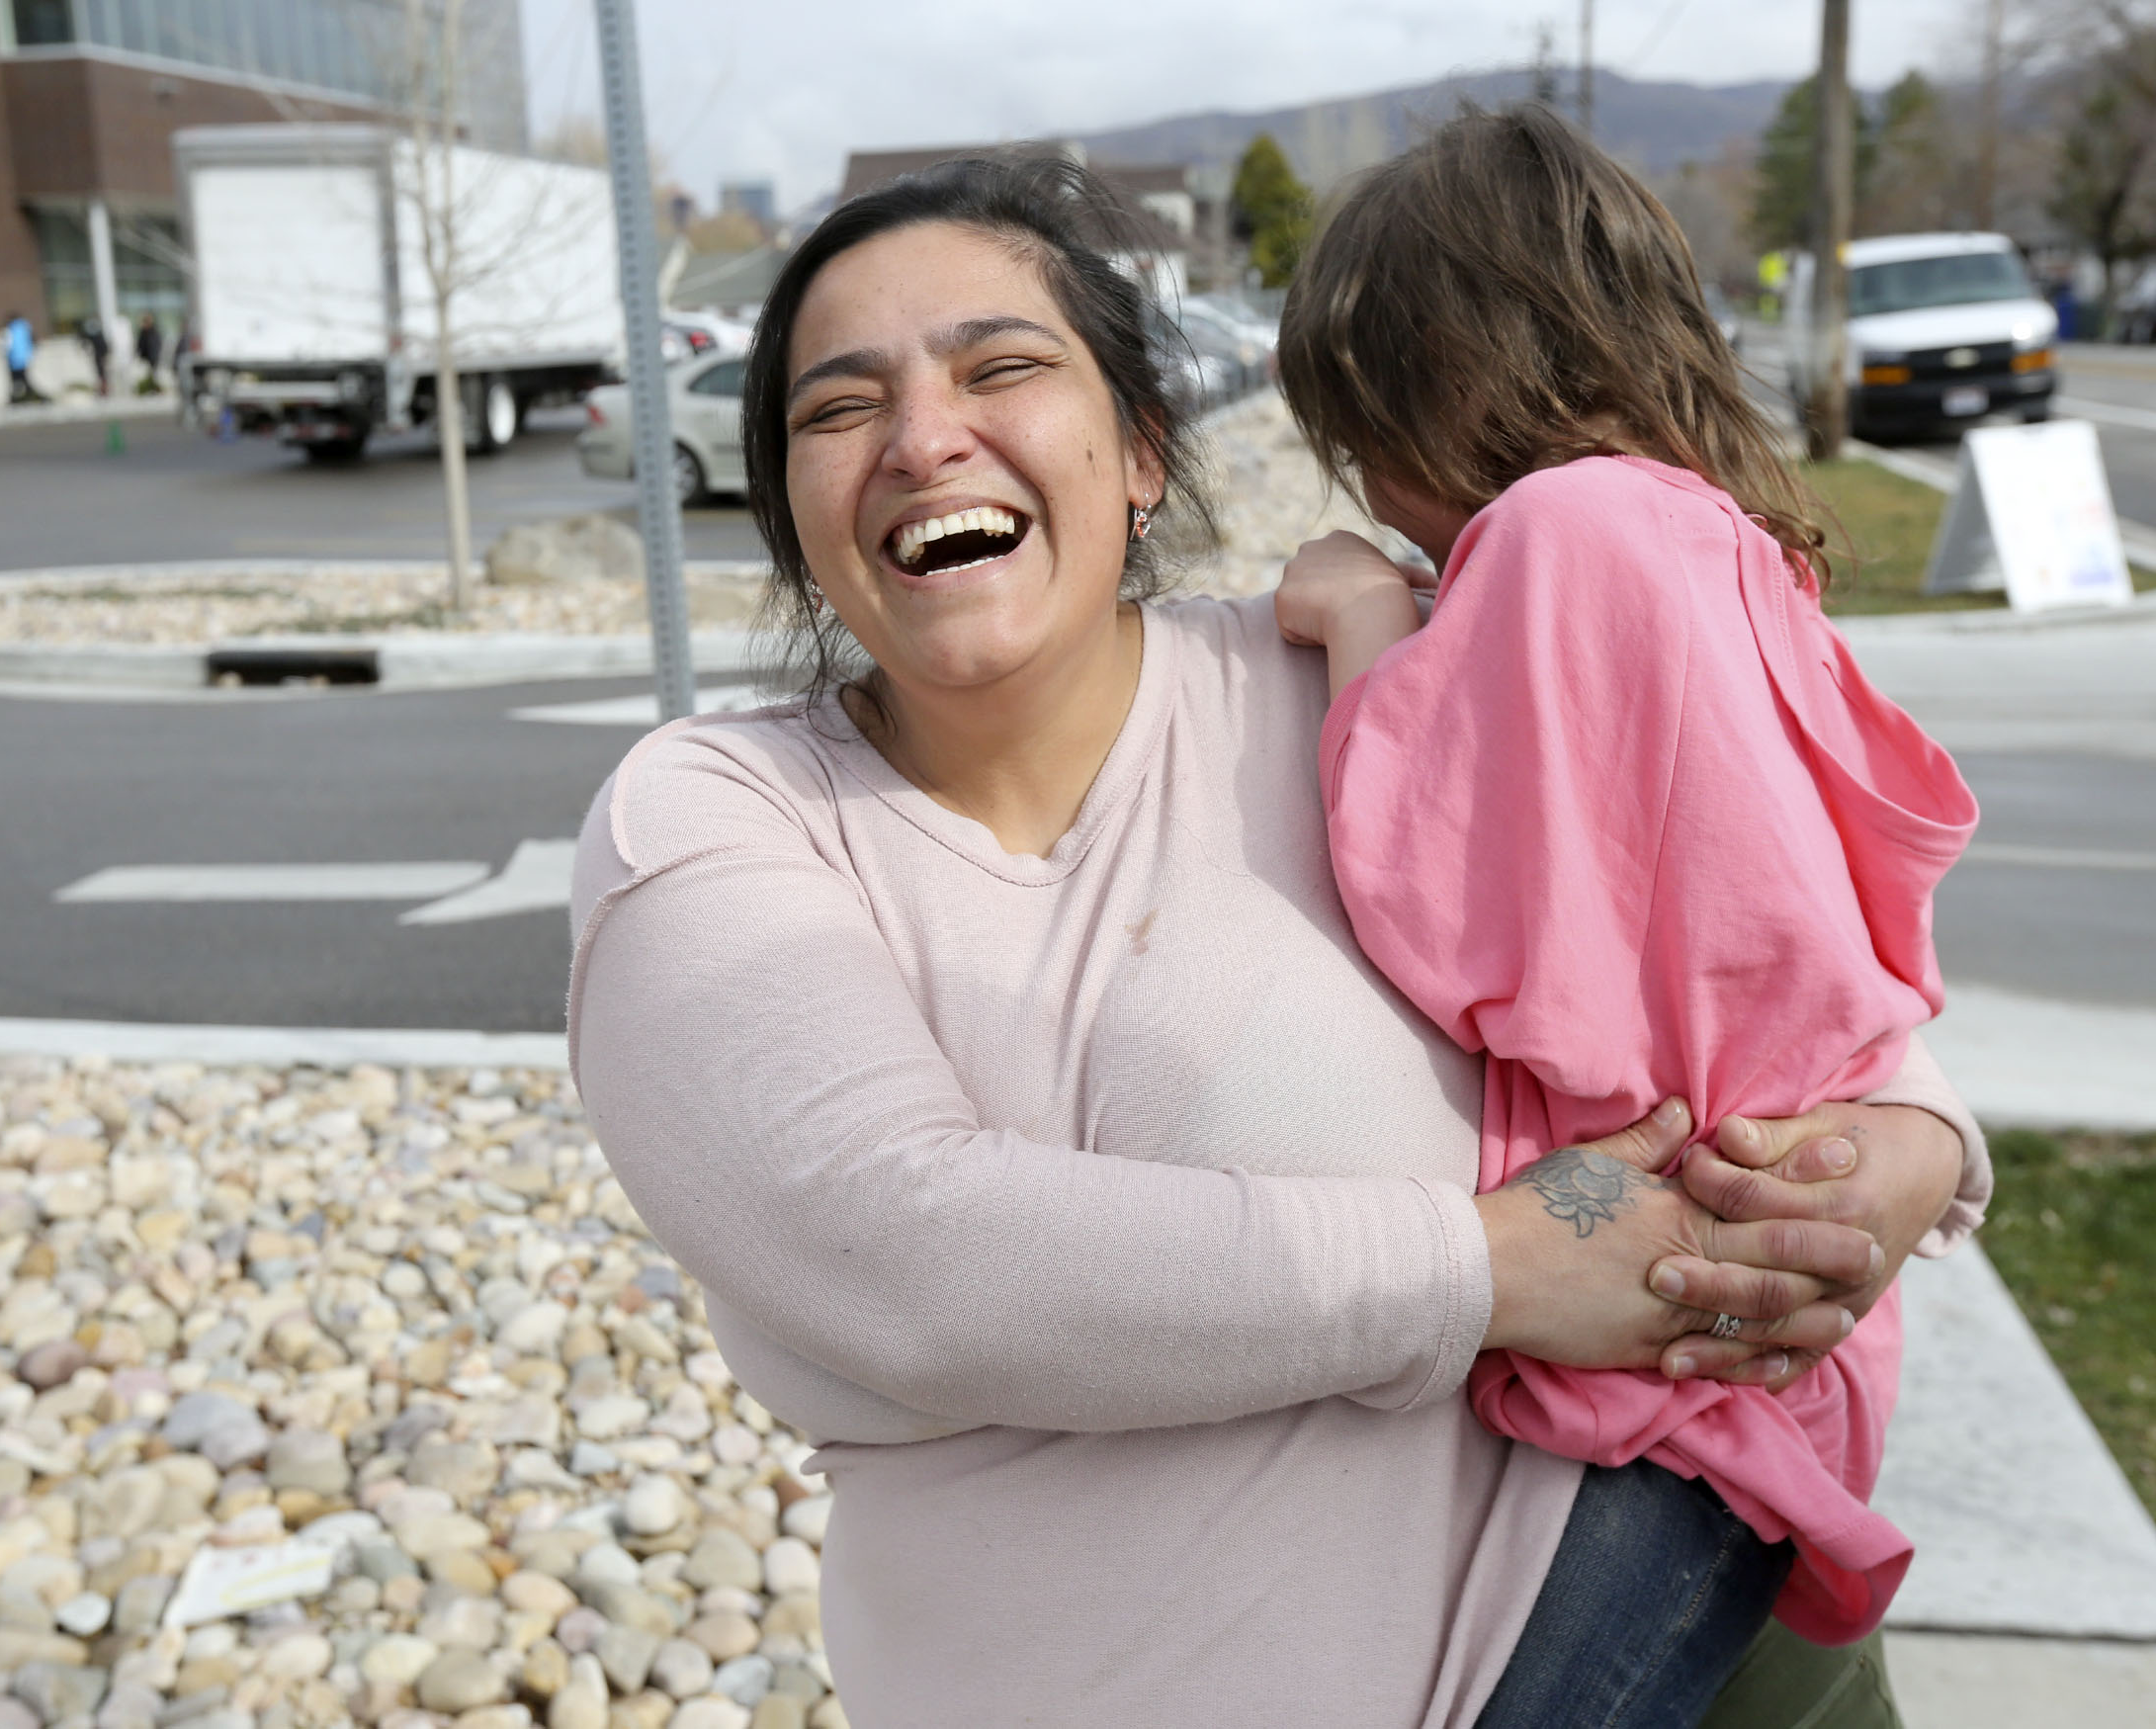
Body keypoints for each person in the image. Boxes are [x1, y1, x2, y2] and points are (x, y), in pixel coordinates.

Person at [566, 155, 1988, 1729]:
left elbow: (1735, 917)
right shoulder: (714, 817)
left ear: (1143, 454)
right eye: (840, 409)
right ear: (791, 511)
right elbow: (907, 1259)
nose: (921, 437)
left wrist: (1912, 1132)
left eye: (1001, 367)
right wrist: (1486, 1269)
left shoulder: (1361, 664)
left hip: (1664, 1640)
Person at [1269, 99, 1981, 1696]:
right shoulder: (1718, 543)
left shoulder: (1559, 529)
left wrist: (1371, 629)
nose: (1378, 487)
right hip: (1773, 1308)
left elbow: (1442, 911)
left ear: (1456, 373)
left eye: (1373, 425)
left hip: (1680, 1349)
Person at [2, 311, 40, 403]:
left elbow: (7, 345)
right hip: (24, 358)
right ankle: (22, 397)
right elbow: (33, 341)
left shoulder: (11, 329)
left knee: (18, 379)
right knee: (22, 379)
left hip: (14, 359)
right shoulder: (25, 327)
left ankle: (17, 398)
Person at [134, 313, 163, 391]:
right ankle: (148, 388)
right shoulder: (143, 332)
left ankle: (153, 388)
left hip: (153, 357)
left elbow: (157, 344)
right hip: (145, 358)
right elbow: (140, 345)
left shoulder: (154, 331)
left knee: (154, 374)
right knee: (146, 374)